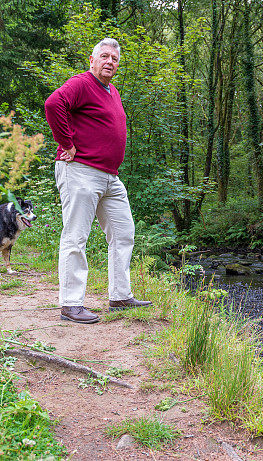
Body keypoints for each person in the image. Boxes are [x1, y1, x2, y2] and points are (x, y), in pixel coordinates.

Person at [44, 37, 151, 324]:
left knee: (123, 232)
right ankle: (70, 304)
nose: (109, 62)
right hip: (80, 170)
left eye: (114, 59)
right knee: (76, 236)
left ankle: (120, 296)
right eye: (104, 56)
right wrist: (66, 142)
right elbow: (53, 104)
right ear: (91, 60)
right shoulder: (82, 83)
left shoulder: (112, 91)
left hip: (109, 176)